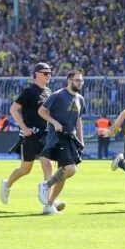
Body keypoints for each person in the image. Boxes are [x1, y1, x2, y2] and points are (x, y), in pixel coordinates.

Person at [0, 62, 53, 205]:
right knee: (25, 169)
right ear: (36, 74)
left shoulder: (48, 92)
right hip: (30, 136)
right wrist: (23, 128)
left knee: (47, 163)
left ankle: (49, 200)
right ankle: (7, 184)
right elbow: (13, 109)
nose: (49, 75)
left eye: (50, 73)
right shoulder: (29, 91)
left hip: (44, 134)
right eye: (45, 73)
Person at [37, 70, 86, 214]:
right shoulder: (58, 95)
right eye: (77, 80)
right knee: (70, 169)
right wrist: (54, 122)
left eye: (81, 81)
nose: (80, 83)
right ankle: (46, 185)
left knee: (64, 172)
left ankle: (49, 205)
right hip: (58, 137)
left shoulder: (80, 99)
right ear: (69, 80)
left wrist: (81, 140)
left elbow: (78, 120)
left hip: (71, 138)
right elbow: (42, 111)